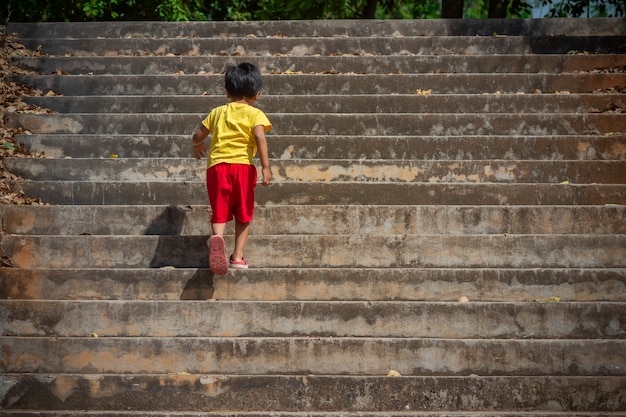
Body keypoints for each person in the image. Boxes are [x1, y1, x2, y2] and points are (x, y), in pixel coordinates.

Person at [192, 62, 272, 274]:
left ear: (227, 92)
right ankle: (237, 257)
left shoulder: (217, 112)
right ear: (257, 94)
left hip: (217, 168)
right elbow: (259, 137)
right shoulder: (255, 114)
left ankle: (217, 236)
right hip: (243, 169)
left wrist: (197, 145)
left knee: (220, 209)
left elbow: (199, 134)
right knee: (243, 213)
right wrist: (265, 167)